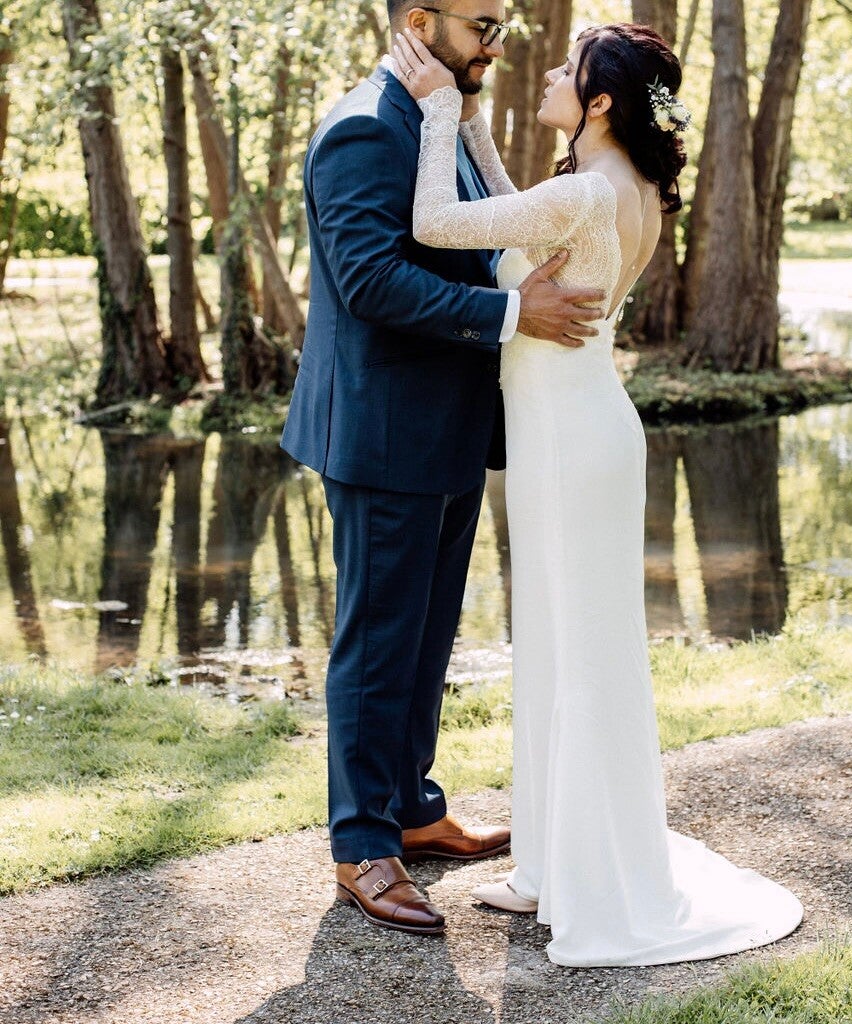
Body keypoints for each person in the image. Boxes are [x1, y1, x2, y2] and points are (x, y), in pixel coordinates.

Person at [391, 21, 805, 966]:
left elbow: (435, 224)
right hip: (581, 435)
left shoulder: (583, 193)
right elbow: (519, 211)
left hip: (569, 447)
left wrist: (439, 112)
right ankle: (549, 864)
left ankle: (587, 882)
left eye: (567, 69)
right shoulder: (621, 188)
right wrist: (477, 130)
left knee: (575, 654)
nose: (546, 71)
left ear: (602, 100)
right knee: (557, 646)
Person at [280, 0, 608, 937]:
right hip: (383, 434)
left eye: (501, 26)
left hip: (452, 427)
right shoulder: (361, 128)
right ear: (421, 21)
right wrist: (513, 315)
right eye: (482, 26)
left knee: (426, 639)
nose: (496, 44)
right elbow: (369, 281)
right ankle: (361, 845)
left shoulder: (441, 116)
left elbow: (471, 238)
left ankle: (413, 811)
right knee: (378, 641)